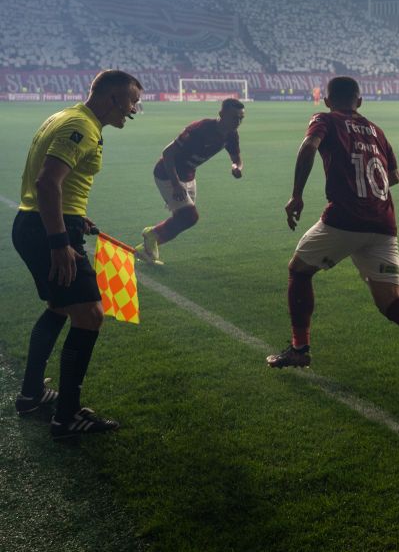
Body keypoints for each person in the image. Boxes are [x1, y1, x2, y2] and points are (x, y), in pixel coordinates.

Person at [266, 76, 399, 399]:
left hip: (345, 218)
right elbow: (394, 176)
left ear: (327, 101)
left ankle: (299, 349)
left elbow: (309, 146)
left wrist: (297, 194)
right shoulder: (377, 131)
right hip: (383, 224)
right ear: (360, 101)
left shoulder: (325, 119)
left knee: (298, 270)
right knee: (390, 301)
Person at [11, 70, 142, 439]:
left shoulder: (68, 117)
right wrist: (59, 242)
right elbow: (47, 182)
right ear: (112, 97)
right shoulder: (82, 127)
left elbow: (54, 182)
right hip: (48, 232)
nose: (134, 109)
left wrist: (73, 215)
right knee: (90, 315)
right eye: (131, 101)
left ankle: (31, 395)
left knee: (59, 307)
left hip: (39, 223)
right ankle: (67, 417)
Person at [135, 99, 245, 265]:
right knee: (189, 217)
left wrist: (236, 167)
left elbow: (237, 159)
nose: (238, 122)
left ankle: (148, 245)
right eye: (234, 118)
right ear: (221, 114)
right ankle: (151, 236)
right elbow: (167, 153)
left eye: (241, 118)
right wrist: (175, 184)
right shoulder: (200, 129)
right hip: (167, 173)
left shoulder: (231, 135)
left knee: (183, 219)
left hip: (189, 175)